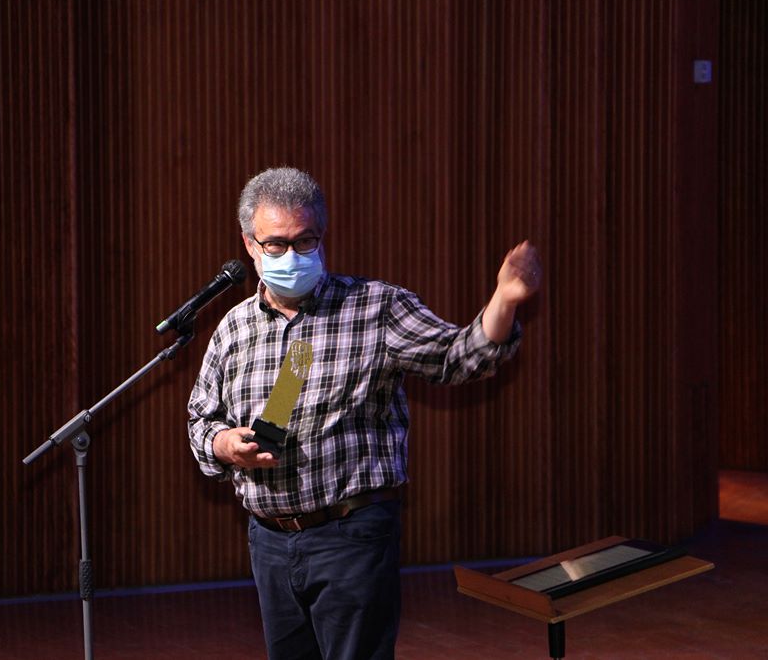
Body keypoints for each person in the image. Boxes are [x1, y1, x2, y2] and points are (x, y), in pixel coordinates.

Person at [187, 167, 541, 659]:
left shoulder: (376, 307)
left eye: (305, 241)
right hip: (269, 541)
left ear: (322, 236)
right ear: (250, 245)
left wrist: (503, 301)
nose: (292, 256)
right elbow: (201, 420)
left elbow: (458, 357)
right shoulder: (234, 328)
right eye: (276, 245)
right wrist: (223, 444)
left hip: (351, 534)